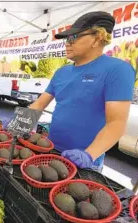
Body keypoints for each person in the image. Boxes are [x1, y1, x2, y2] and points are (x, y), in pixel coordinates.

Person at [29, 11, 135, 172]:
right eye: (66, 39)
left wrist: (89, 155)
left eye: (73, 37)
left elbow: (116, 123)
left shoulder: (118, 70)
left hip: (86, 162)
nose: (67, 43)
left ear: (97, 38)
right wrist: (19, 122)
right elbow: (39, 104)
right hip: (49, 151)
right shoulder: (61, 72)